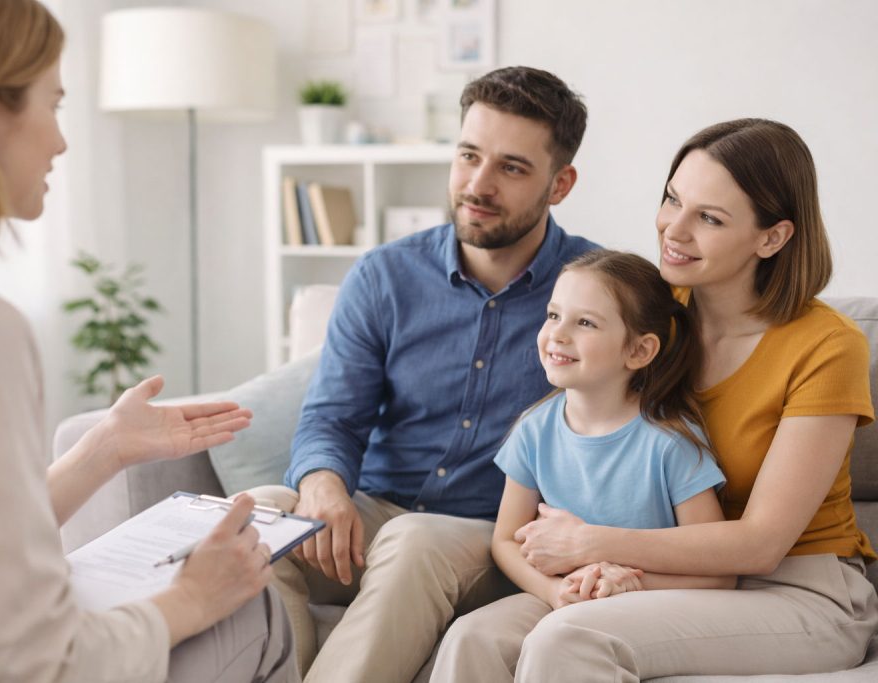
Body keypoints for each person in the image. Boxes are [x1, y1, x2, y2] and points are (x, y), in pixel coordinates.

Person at [0, 1, 297, 681]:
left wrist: (104, 449)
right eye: (53, 104)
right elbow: (31, 666)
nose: (62, 142)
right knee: (252, 610)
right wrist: (190, 597)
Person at [249, 66, 598, 682]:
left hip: (491, 535)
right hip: (376, 513)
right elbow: (334, 415)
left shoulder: (598, 292)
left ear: (560, 183)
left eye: (512, 168)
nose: (478, 185)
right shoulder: (385, 275)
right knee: (255, 515)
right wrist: (324, 483)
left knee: (413, 542)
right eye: (468, 156)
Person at [505, 119, 878, 680]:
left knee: (572, 638)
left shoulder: (826, 346)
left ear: (772, 237)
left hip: (800, 590)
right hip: (657, 576)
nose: (673, 230)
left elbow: (760, 545)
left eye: (709, 217)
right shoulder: (654, 315)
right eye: (673, 200)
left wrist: (585, 543)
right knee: (481, 638)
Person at [430, 249, 736, 680]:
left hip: (646, 601)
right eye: (554, 315)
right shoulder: (534, 430)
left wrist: (632, 583)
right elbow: (505, 541)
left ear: (639, 350)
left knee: (559, 641)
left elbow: (720, 574)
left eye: (585, 323)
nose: (558, 334)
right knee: (469, 635)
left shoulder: (671, 443)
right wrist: (553, 592)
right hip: (562, 594)